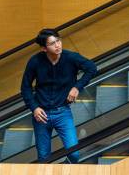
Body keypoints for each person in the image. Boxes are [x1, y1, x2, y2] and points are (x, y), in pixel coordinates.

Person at [21, 28, 97, 163]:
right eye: (52, 43)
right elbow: (25, 87)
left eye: (58, 41)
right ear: (44, 49)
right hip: (41, 115)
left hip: (62, 112)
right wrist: (34, 108)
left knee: (74, 154)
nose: (58, 45)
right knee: (43, 157)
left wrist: (76, 87)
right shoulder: (35, 61)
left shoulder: (71, 57)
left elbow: (92, 68)